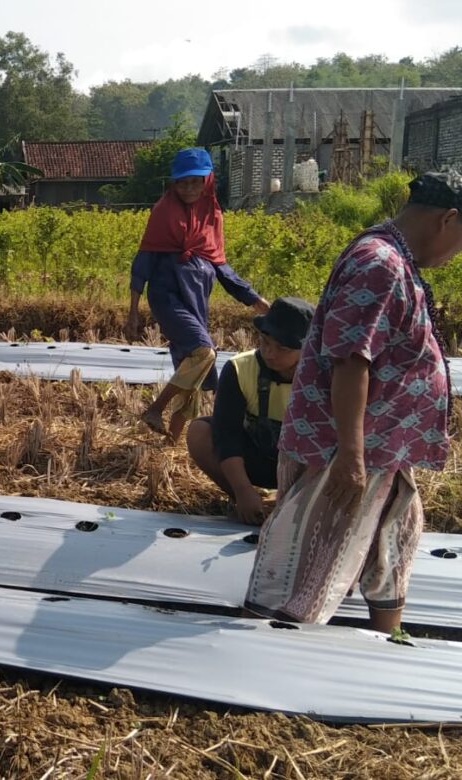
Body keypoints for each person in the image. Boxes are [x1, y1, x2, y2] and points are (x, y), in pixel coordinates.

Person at [245, 170, 462, 632]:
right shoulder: (378, 263)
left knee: (394, 543)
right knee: (309, 563)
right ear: (448, 219)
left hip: (383, 447)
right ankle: (268, 659)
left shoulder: (396, 260)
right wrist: (351, 454)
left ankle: (388, 640)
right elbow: (350, 361)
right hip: (342, 451)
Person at [126, 147, 271, 442]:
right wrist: (132, 311)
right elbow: (144, 262)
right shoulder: (163, 212)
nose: (189, 188)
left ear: (207, 181)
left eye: (195, 181)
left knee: (192, 370)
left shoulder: (212, 215)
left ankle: (169, 442)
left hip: (196, 299)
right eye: (182, 182)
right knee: (204, 352)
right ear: (173, 184)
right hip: (168, 297)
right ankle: (155, 409)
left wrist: (253, 298)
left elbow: (220, 265)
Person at [186, 296, 314, 524]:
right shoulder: (240, 368)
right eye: (265, 342)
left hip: (305, 470)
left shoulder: (325, 377)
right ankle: (251, 502)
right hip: (256, 459)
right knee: (199, 432)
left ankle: (295, 503)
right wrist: (243, 491)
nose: (270, 353)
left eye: (282, 348)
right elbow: (228, 436)